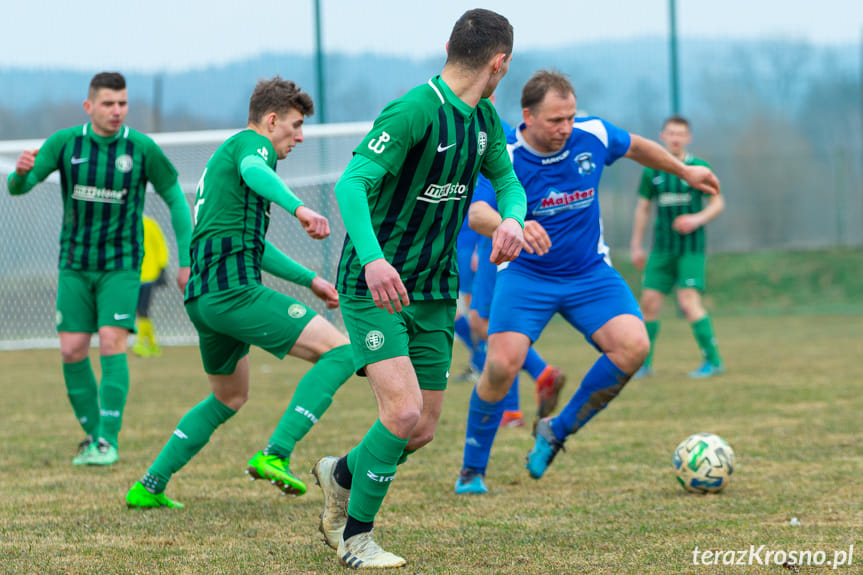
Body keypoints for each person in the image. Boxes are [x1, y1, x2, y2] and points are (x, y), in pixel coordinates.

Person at [311, 9, 526, 569]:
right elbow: (352, 184)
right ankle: (355, 538)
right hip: (373, 285)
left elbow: (508, 181)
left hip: (433, 289)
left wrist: (511, 219)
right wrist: (375, 260)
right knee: (402, 413)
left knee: (422, 428)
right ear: (499, 62)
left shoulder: (483, 120)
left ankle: (339, 475)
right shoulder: (413, 110)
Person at [452, 69, 720, 492]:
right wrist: (513, 223)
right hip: (527, 275)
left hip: (588, 273)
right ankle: (472, 469)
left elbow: (638, 147)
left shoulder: (591, 135)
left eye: (570, 117)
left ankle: (555, 431)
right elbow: (477, 212)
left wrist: (684, 172)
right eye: (555, 120)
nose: (565, 128)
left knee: (634, 347)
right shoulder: (504, 154)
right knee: (500, 365)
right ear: (528, 116)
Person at [125, 76, 355, 509]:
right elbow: (256, 170)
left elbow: (253, 245)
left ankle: (149, 485)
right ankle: (276, 453)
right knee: (342, 352)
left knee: (229, 396)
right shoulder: (254, 149)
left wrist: (310, 280)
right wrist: (300, 207)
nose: (300, 137)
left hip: (204, 300)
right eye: (296, 125)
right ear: (271, 121)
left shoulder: (225, 161)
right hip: (233, 294)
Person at [6, 72, 192, 466]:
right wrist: (20, 173)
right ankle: (94, 436)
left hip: (122, 266)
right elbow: (18, 188)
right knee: (72, 349)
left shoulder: (141, 149)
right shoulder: (65, 143)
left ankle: (107, 441)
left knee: (111, 341)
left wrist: (187, 260)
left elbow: (176, 200)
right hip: (74, 265)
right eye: (108, 103)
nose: (117, 110)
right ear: (89, 107)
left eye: (122, 103)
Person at [464, 173, 566, 433]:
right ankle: (513, 407)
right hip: (485, 240)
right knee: (484, 324)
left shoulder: (500, 141)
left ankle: (538, 377)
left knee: (488, 325)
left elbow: (489, 205)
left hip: (494, 241)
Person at [629, 116, 726, 379]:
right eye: (671, 133)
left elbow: (718, 203)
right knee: (648, 302)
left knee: (688, 300)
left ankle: (713, 360)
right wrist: (636, 244)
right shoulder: (653, 171)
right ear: (662, 136)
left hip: (691, 248)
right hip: (661, 248)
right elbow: (643, 208)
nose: (675, 138)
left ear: (688, 138)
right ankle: (644, 365)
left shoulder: (699, 167)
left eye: (680, 134)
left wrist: (697, 218)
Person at [133, 215, 169, 358]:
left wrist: (162, 267)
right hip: (132, 276)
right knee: (141, 310)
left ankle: (142, 343)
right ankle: (152, 344)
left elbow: (160, 245)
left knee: (142, 309)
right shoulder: (124, 224)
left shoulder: (149, 224)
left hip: (148, 275)